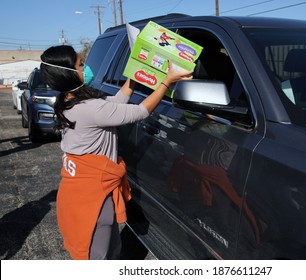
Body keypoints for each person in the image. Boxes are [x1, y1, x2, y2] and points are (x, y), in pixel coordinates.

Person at [39, 45, 193, 260]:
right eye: (80, 64)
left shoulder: (70, 101)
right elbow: (140, 111)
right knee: (99, 254)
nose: (87, 67)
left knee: (109, 247)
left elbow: (116, 101)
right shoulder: (90, 108)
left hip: (80, 188)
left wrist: (136, 73)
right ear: (68, 72)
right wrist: (167, 81)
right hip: (91, 195)